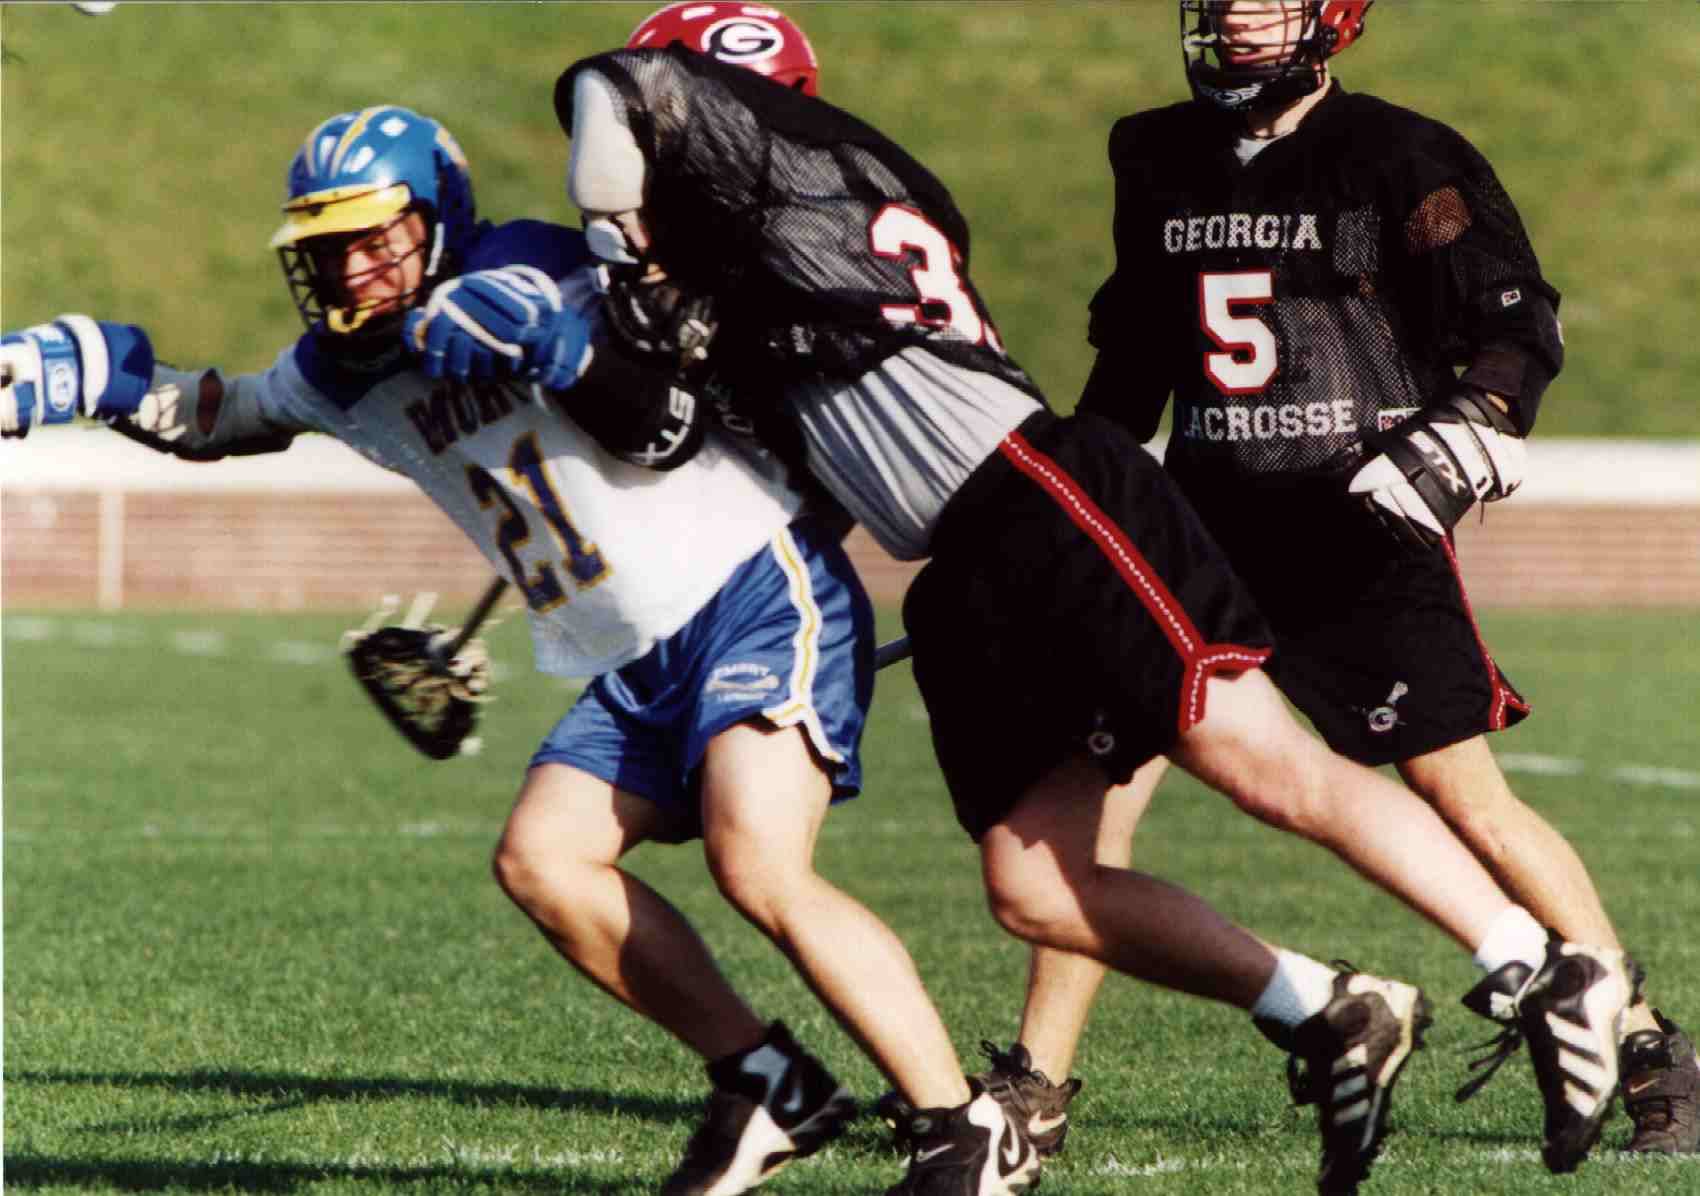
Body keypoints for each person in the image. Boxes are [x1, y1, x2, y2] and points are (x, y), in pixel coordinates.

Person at [411, 4, 1640, 1190]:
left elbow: (609, 86)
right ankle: (1324, 1007)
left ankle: (1543, 970)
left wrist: (613, 242)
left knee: (1270, 764)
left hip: (1048, 495)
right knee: (1032, 880)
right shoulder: (787, 232)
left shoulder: (792, 204)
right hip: (977, 556)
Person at [0, 103, 1039, 1196]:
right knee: (542, 860)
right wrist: (106, 376)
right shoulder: (345, 367)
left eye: (373, 236)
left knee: (757, 860)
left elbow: (667, 400)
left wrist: (564, 338)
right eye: (328, 247)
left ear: (436, 216)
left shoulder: (534, 264)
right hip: (631, 653)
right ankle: (767, 1081)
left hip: (750, 590)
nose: (350, 268)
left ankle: (963, 1127)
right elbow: (230, 413)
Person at [970, 0, 1699, 1168]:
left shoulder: (1398, 154)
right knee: (1098, 787)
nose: (1236, 19)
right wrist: (1074, 502)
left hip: (1355, 521)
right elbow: (1135, 357)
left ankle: (1645, 1038)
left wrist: (1480, 414)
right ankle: (1034, 1082)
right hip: (1195, 531)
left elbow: (1513, 320)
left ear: (1330, 15)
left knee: (1459, 790)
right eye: (1222, 0)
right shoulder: (1153, 153)